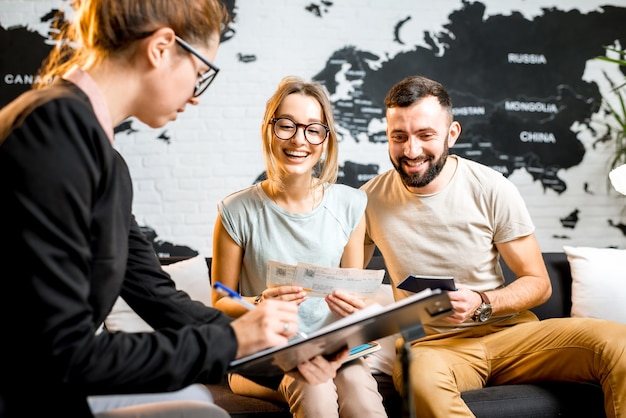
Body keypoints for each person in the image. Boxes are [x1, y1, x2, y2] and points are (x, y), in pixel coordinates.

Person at [0, 2, 347, 417]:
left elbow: (160, 299)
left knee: (201, 406)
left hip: (44, 388)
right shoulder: (52, 132)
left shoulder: (103, 159)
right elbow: (62, 353)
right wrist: (234, 341)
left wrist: (286, 355)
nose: (196, 96)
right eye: (200, 74)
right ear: (162, 47)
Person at [360, 75, 626, 418]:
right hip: (431, 347)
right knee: (418, 379)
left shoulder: (491, 187)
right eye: (399, 137)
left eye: (426, 135)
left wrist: (482, 302)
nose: (411, 150)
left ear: (452, 134)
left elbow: (538, 283)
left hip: (514, 336)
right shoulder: (366, 200)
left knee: (619, 343)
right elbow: (346, 279)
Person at [211, 75, 387, 418]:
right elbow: (220, 301)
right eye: (287, 126)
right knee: (316, 389)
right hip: (263, 353)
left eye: (312, 129)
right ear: (268, 129)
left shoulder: (351, 205)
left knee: (362, 398)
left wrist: (357, 306)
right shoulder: (234, 211)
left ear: (325, 139)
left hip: (332, 348)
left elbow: (354, 292)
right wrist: (262, 302)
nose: (299, 140)